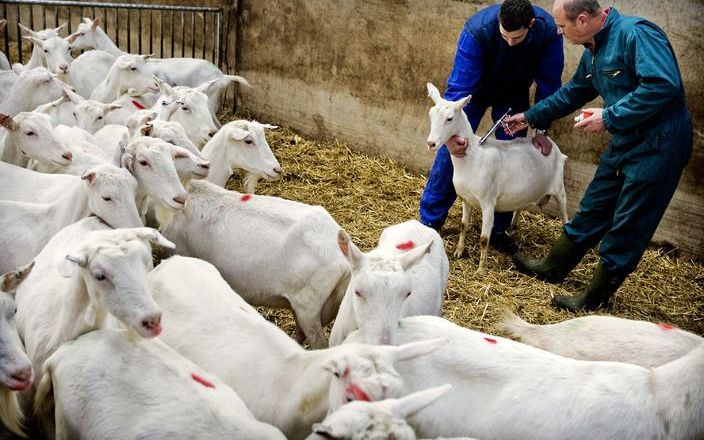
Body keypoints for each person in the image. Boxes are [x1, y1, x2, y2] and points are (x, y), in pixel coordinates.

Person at [503, 0, 692, 311]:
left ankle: (592, 299)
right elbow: (574, 91)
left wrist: (609, 117)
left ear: (582, 19)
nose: (560, 33)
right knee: (594, 205)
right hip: (626, 139)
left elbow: (661, 85)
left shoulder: (636, 34)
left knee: (630, 221)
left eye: (562, 27)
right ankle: (554, 267)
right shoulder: (593, 47)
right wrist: (532, 116)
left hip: (660, 143)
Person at [419, 0, 564, 255]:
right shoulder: (478, 29)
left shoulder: (548, 32)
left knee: (513, 153)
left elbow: (550, 84)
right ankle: (430, 223)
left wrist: (541, 128)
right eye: (504, 35)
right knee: (453, 150)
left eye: (516, 38)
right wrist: (450, 135)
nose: (509, 42)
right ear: (498, 22)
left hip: (513, 92)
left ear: (530, 25)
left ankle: (498, 230)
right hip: (473, 92)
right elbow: (458, 90)